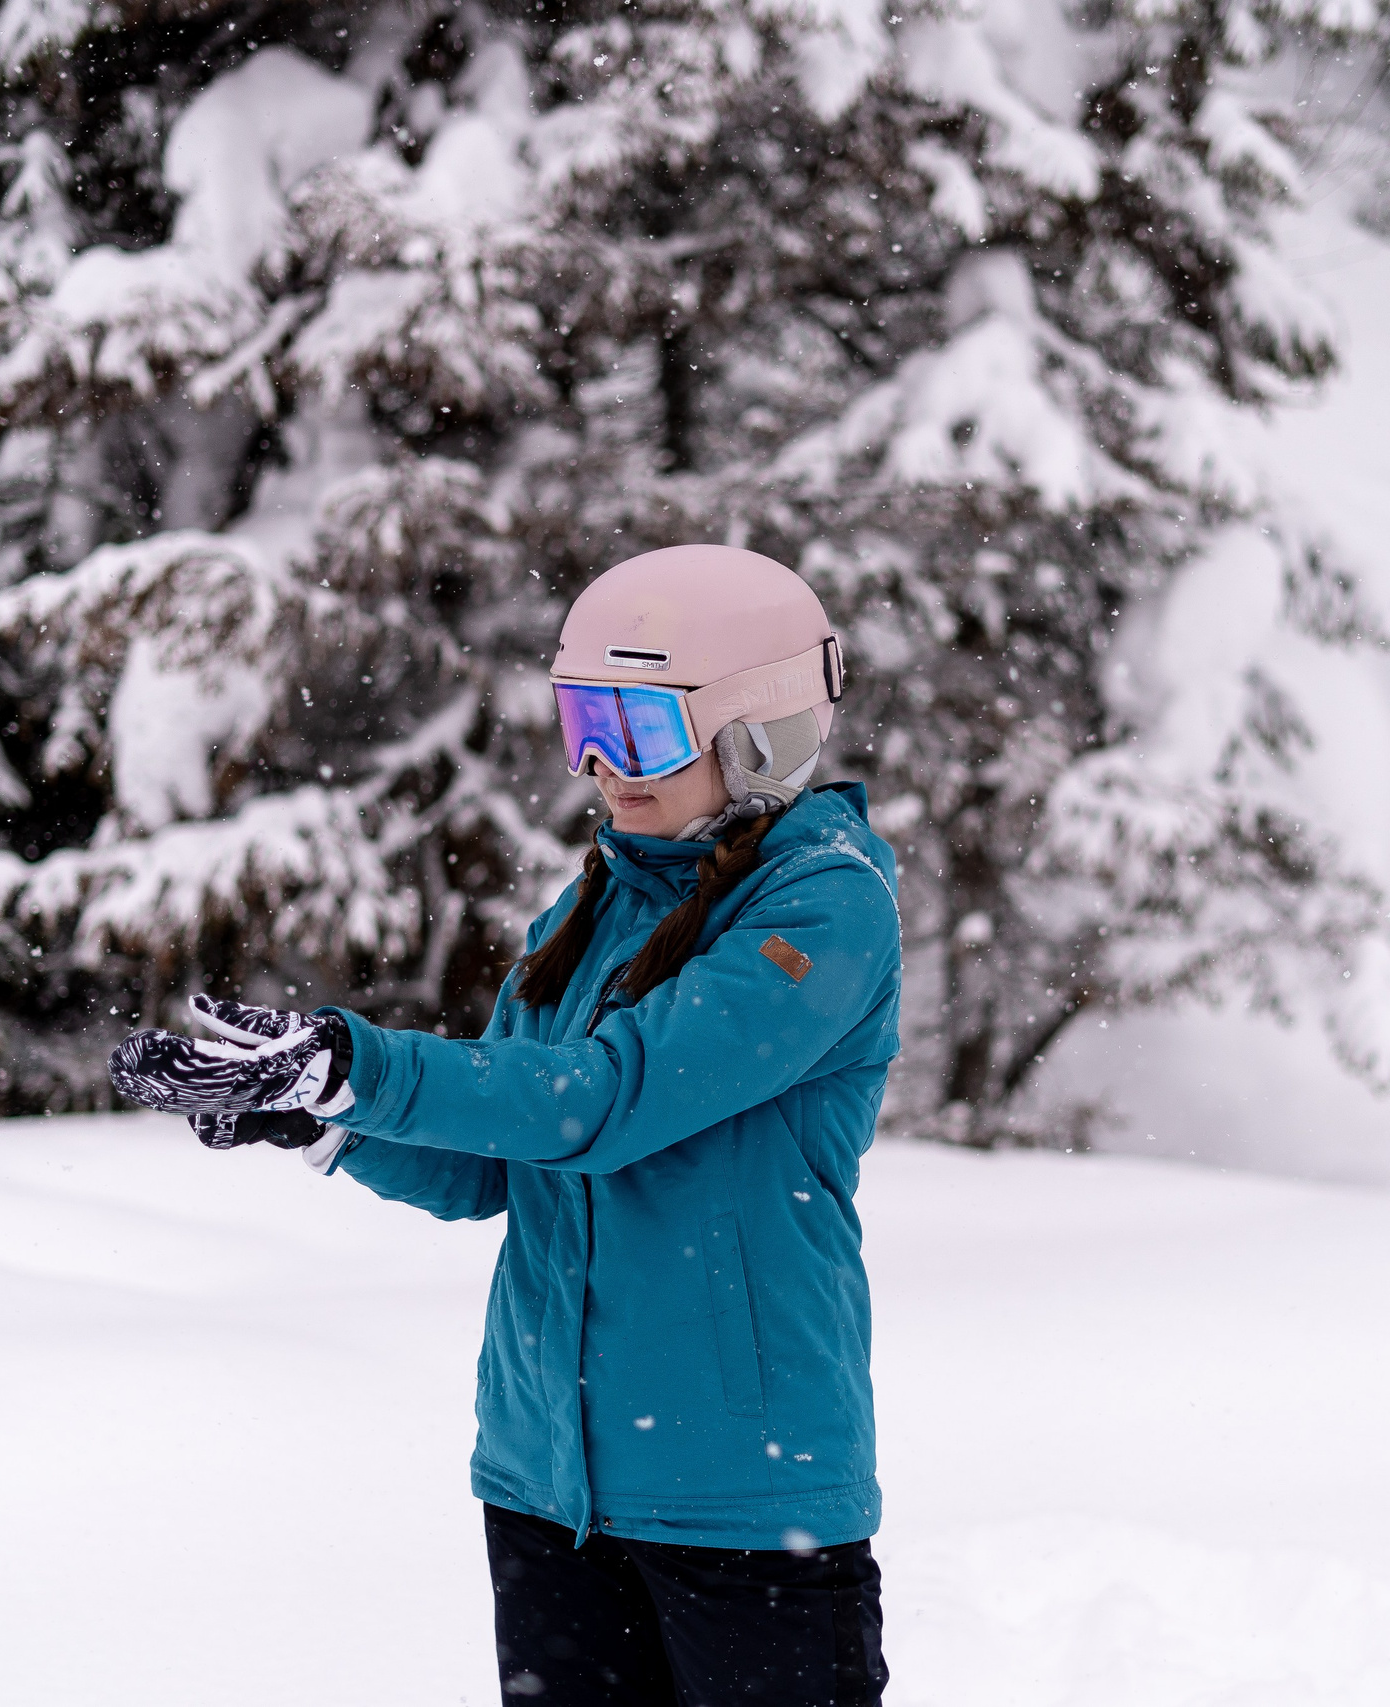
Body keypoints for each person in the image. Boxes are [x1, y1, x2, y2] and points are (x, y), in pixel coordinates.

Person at [109, 544, 902, 1706]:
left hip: (744, 1501)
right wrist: (321, 1120)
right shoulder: (589, 911)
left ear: (756, 730)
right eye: (583, 722)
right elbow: (498, 1166)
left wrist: (358, 1066)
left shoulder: (823, 910)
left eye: (638, 729)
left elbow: (605, 1100)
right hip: (546, 1490)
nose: (600, 765)